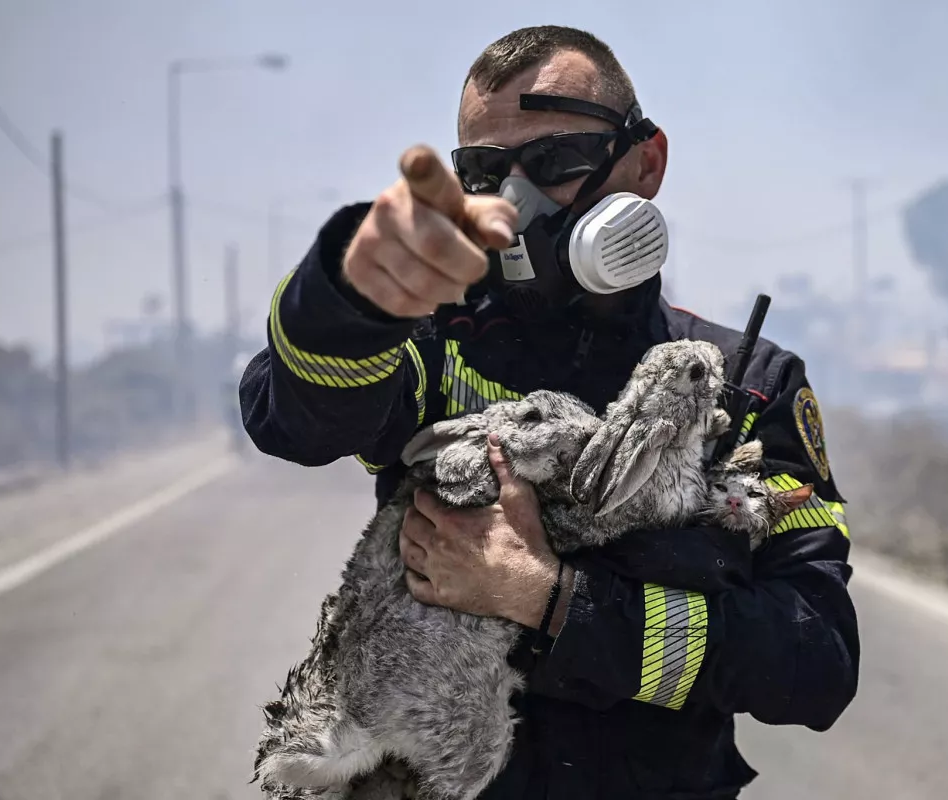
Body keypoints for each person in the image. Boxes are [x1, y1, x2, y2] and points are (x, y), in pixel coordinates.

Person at [240, 24, 859, 799]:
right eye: (486, 171)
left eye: (556, 162)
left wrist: (548, 598)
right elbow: (290, 421)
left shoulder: (737, 386)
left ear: (647, 163)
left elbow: (816, 664)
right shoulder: (432, 343)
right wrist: (346, 298)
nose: (516, 201)